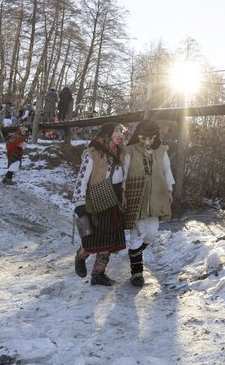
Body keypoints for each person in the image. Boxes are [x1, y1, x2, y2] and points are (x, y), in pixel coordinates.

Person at [122, 120, 175, 288]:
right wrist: (122, 193)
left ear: (155, 137)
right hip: (136, 196)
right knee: (137, 234)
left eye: (150, 138)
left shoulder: (161, 151)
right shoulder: (130, 150)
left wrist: (169, 190)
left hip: (156, 197)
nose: (146, 142)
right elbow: (123, 172)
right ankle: (136, 273)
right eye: (143, 138)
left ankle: (134, 253)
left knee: (152, 233)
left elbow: (167, 170)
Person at [72, 123, 127, 286]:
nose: (120, 134)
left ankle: (98, 274)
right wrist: (80, 202)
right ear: (107, 134)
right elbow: (81, 179)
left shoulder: (120, 153)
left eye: (121, 131)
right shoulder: (92, 153)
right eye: (116, 131)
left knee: (109, 240)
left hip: (113, 200)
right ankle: (81, 256)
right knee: (93, 240)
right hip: (96, 201)